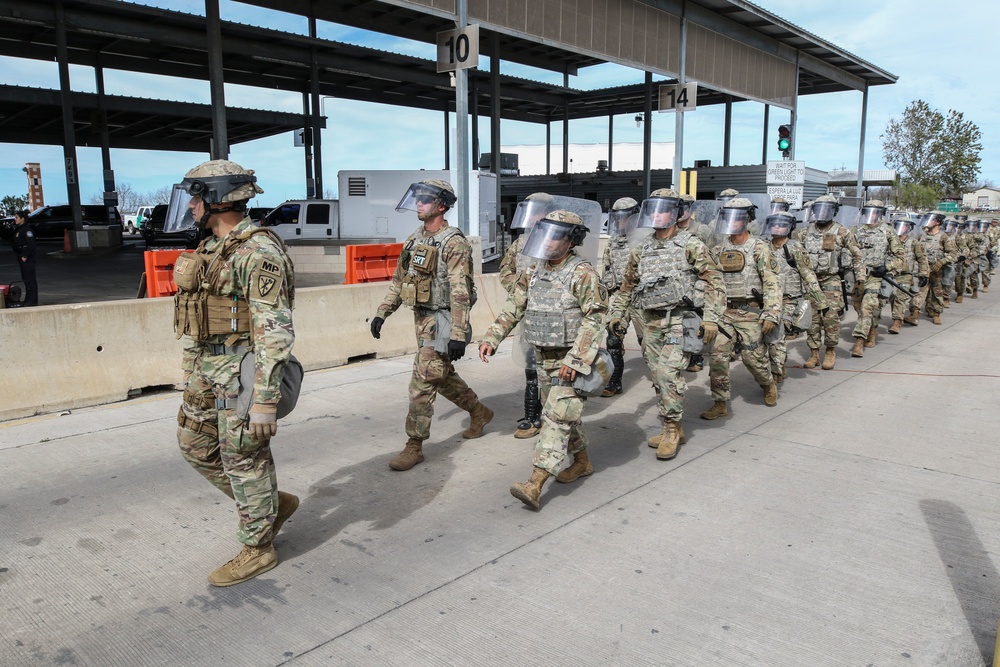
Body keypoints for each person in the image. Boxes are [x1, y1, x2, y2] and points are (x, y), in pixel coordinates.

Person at [169, 159, 298, 587]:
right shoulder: (210, 249)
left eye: (195, 197)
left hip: (243, 372)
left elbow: (274, 331)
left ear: (217, 200)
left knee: (244, 459)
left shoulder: (258, 252)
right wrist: (190, 373)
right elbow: (196, 319)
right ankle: (269, 505)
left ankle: (258, 547)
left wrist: (264, 400)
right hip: (209, 369)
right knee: (193, 443)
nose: (189, 206)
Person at [479, 210, 607, 510]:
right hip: (542, 359)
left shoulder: (582, 273)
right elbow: (514, 306)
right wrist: (491, 338)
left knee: (555, 418)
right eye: (545, 235)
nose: (548, 243)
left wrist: (576, 359)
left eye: (556, 236)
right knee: (565, 417)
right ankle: (583, 462)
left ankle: (535, 482)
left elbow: (595, 318)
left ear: (571, 240)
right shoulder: (533, 272)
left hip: (570, 363)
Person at [370, 179, 493, 470]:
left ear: (442, 205)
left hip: (444, 319)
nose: (420, 203)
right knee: (439, 374)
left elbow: (460, 289)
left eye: (426, 199)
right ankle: (479, 411)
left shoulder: (454, 242)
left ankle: (414, 445)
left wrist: (459, 333)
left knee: (422, 381)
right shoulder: (415, 239)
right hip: (422, 319)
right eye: (418, 198)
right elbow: (401, 281)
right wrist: (382, 312)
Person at [607, 189, 725, 458]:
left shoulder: (691, 245)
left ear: (674, 212)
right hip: (651, 323)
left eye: (664, 209)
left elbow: (714, 281)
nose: (658, 215)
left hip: (679, 321)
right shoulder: (642, 249)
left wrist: (711, 318)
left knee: (667, 374)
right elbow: (627, 287)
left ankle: (671, 428)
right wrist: (617, 314)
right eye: (654, 209)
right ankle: (676, 426)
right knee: (658, 377)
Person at [702, 198, 782, 420]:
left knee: (752, 357)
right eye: (729, 217)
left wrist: (772, 312)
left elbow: (772, 281)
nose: (733, 222)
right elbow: (710, 282)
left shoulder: (759, 247)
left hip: (750, 312)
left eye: (738, 217)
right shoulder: (718, 249)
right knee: (718, 355)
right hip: (724, 312)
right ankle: (720, 402)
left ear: (747, 219)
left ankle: (767, 383)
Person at [498, 192, 553, 436]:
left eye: (538, 211)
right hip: (527, 314)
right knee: (530, 366)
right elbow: (505, 270)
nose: (533, 217)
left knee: (551, 369)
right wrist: (519, 290)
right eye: (531, 212)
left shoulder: (557, 240)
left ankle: (553, 415)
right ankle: (533, 417)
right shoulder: (520, 243)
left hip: (552, 316)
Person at [794, 195, 864, 370]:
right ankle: (814, 354)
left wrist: (860, 278)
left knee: (831, 318)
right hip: (810, 282)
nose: (822, 214)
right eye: (819, 210)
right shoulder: (804, 232)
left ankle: (831, 351)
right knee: (812, 319)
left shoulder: (842, 232)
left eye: (826, 210)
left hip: (831, 281)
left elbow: (857, 254)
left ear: (834, 211)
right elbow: (793, 256)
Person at [760, 212, 827, 382]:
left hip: (789, 300)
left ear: (789, 227)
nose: (776, 228)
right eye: (774, 224)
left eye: (781, 225)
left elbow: (808, 274)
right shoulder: (762, 246)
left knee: (777, 333)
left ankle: (777, 369)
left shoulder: (795, 248)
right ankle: (776, 366)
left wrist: (820, 301)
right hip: (767, 301)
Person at [847, 200, 904, 357]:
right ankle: (872, 328)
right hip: (857, 276)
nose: (871, 215)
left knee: (867, 307)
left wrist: (887, 267)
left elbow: (900, 256)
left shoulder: (887, 231)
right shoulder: (855, 230)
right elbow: (845, 250)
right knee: (858, 308)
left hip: (875, 276)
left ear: (880, 213)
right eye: (868, 211)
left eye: (875, 211)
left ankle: (859, 342)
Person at [599, 196, 642, 397]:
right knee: (613, 339)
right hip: (619, 297)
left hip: (641, 298)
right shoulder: (613, 243)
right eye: (616, 218)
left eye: (624, 217)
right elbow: (607, 269)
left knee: (649, 343)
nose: (619, 221)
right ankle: (614, 382)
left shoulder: (645, 240)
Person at [913, 212, 956, 325]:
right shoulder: (922, 235)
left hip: (937, 270)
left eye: (931, 220)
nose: (928, 222)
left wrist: (941, 262)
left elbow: (952, 254)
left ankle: (936, 313)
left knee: (937, 292)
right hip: (923, 269)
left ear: (938, 222)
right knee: (920, 291)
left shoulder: (943, 237)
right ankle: (915, 313)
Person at [888, 217, 929, 333]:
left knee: (900, 297)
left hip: (906, 275)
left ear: (909, 228)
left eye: (904, 225)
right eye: (899, 225)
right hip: (891, 274)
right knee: (892, 297)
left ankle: (897, 322)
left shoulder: (914, 243)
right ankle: (897, 316)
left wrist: (923, 275)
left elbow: (922, 259)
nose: (901, 228)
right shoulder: (890, 241)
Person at [11, 209, 38, 307]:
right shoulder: (18, 229)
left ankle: (32, 300)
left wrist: (25, 255)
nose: (15, 219)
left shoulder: (27, 230)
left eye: (17, 217)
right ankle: (28, 299)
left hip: (26, 257)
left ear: (22, 219)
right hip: (21, 255)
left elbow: (31, 245)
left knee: (30, 279)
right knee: (26, 279)